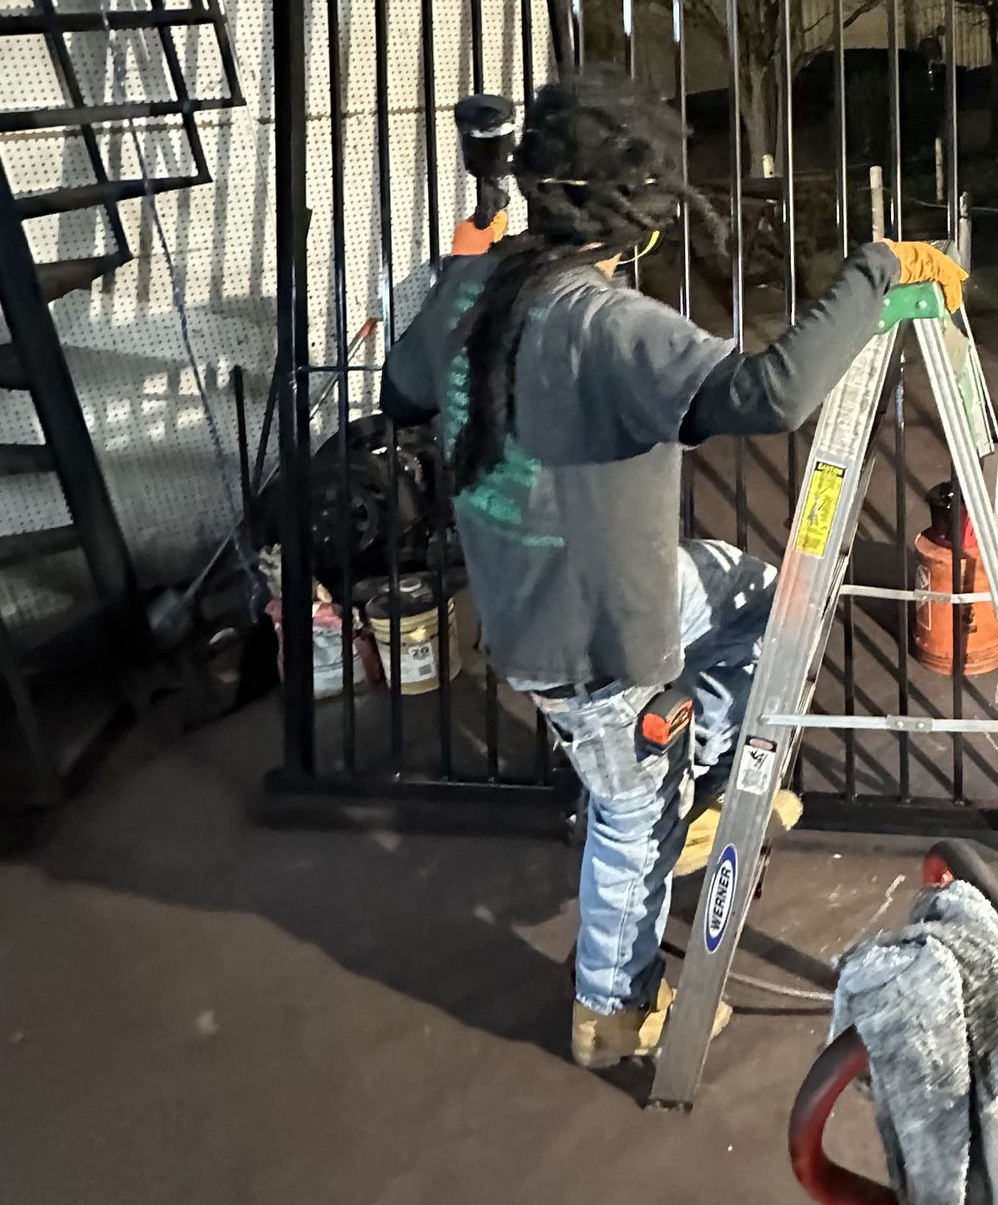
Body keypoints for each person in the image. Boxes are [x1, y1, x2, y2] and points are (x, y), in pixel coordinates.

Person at [381, 66, 964, 1070]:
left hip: (532, 607)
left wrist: (462, 261)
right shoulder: (603, 323)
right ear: (639, 210)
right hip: (599, 640)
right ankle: (612, 1007)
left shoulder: (479, 289)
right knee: (627, 809)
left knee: (756, 594)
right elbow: (772, 392)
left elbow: (400, 390)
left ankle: (699, 780)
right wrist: (873, 270)